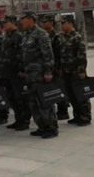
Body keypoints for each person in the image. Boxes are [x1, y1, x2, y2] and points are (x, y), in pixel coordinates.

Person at [20, 10, 58, 139]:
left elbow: (48, 54)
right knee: (33, 103)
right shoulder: (26, 35)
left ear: (31, 19)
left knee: (45, 102)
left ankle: (51, 127)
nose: (21, 21)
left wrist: (48, 71)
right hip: (30, 75)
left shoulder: (41, 34)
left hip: (40, 74)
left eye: (23, 19)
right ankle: (42, 126)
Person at [0, 15, 30, 131]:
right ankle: (18, 119)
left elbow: (23, 54)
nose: (4, 25)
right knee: (11, 98)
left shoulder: (18, 36)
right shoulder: (6, 36)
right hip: (8, 72)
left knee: (20, 98)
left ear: (12, 23)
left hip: (16, 72)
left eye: (6, 22)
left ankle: (24, 121)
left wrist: (21, 69)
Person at [60, 15, 92, 126]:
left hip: (76, 71)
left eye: (64, 23)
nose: (62, 25)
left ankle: (85, 116)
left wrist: (81, 71)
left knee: (81, 95)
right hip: (66, 71)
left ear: (70, 23)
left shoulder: (77, 37)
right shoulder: (63, 37)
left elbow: (82, 55)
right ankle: (77, 115)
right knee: (71, 95)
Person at [40, 14, 70, 121]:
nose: (43, 24)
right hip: (48, 67)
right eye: (42, 22)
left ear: (51, 23)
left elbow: (60, 53)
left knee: (59, 88)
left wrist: (60, 67)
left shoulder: (56, 37)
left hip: (56, 67)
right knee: (51, 89)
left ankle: (63, 110)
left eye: (45, 22)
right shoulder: (43, 35)